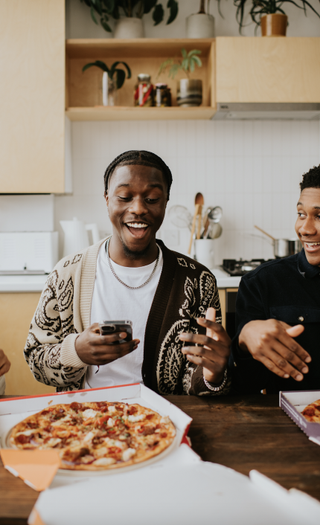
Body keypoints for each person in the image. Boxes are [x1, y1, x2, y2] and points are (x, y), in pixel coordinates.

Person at [24, 150, 231, 395]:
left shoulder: (197, 281)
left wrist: (213, 375)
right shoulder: (67, 274)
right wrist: (76, 351)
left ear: (166, 201)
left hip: (162, 421)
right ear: (107, 199)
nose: (138, 209)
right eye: (124, 197)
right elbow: (36, 358)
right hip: (84, 419)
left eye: (152, 198)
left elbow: (197, 376)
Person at [231, 164, 320, 394]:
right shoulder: (261, 283)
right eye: (301, 214)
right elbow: (244, 388)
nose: (305, 229)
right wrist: (243, 340)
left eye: (319, 216)